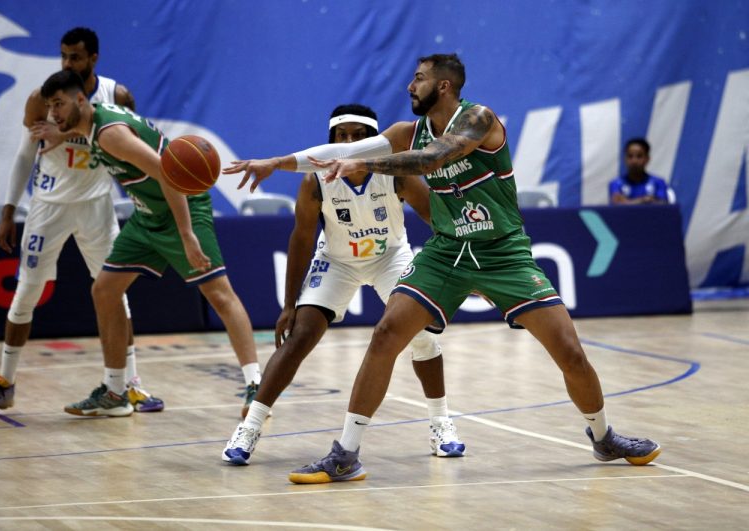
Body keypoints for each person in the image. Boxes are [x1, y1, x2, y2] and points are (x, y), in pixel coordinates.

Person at [225, 53, 662, 484]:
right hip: (447, 251)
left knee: (569, 352)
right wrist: (276, 162)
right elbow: (342, 152)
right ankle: (345, 454)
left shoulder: (479, 120)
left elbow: (430, 159)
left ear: (444, 85)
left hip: (502, 253)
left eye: (418, 78)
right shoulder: (406, 132)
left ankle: (604, 437)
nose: (410, 86)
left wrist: (363, 164)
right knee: (386, 334)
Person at [222, 104, 465, 467]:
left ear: (375, 140)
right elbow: (302, 239)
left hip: (390, 257)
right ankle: (250, 427)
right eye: (342, 135)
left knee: (420, 335)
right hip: (337, 261)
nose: (349, 142)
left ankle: (441, 423)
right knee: (300, 335)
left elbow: (439, 221)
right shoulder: (315, 180)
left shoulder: (395, 173)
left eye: (359, 135)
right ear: (331, 140)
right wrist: (289, 304)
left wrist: (458, 267)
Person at [39, 69, 262, 417]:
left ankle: (257, 388)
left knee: (220, 294)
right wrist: (60, 133)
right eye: (50, 106)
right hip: (147, 215)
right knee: (104, 290)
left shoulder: (111, 135)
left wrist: (186, 234)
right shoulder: (93, 124)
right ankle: (115, 392)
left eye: (59, 104)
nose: (54, 113)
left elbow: (168, 174)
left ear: (81, 99)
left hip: (181, 208)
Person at [0, 27, 163, 414]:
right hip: (48, 206)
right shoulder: (43, 98)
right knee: (26, 292)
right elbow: (25, 155)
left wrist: (64, 135)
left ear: (93, 59)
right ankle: (4, 385)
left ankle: (130, 385)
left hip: (97, 206)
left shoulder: (116, 96)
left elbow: (128, 146)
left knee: (115, 293)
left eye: (75, 57)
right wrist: (9, 210)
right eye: (64, 56)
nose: (68, 63)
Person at [609, 138, 670, 205]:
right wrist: (644, 200)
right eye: (630, 156)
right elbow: (618, 204)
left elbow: (663, 205)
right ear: (625, 159)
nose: (634, 161)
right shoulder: (616, 183)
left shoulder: (658, 182)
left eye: (639, 156)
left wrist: (628, 202)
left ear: (647, 159)